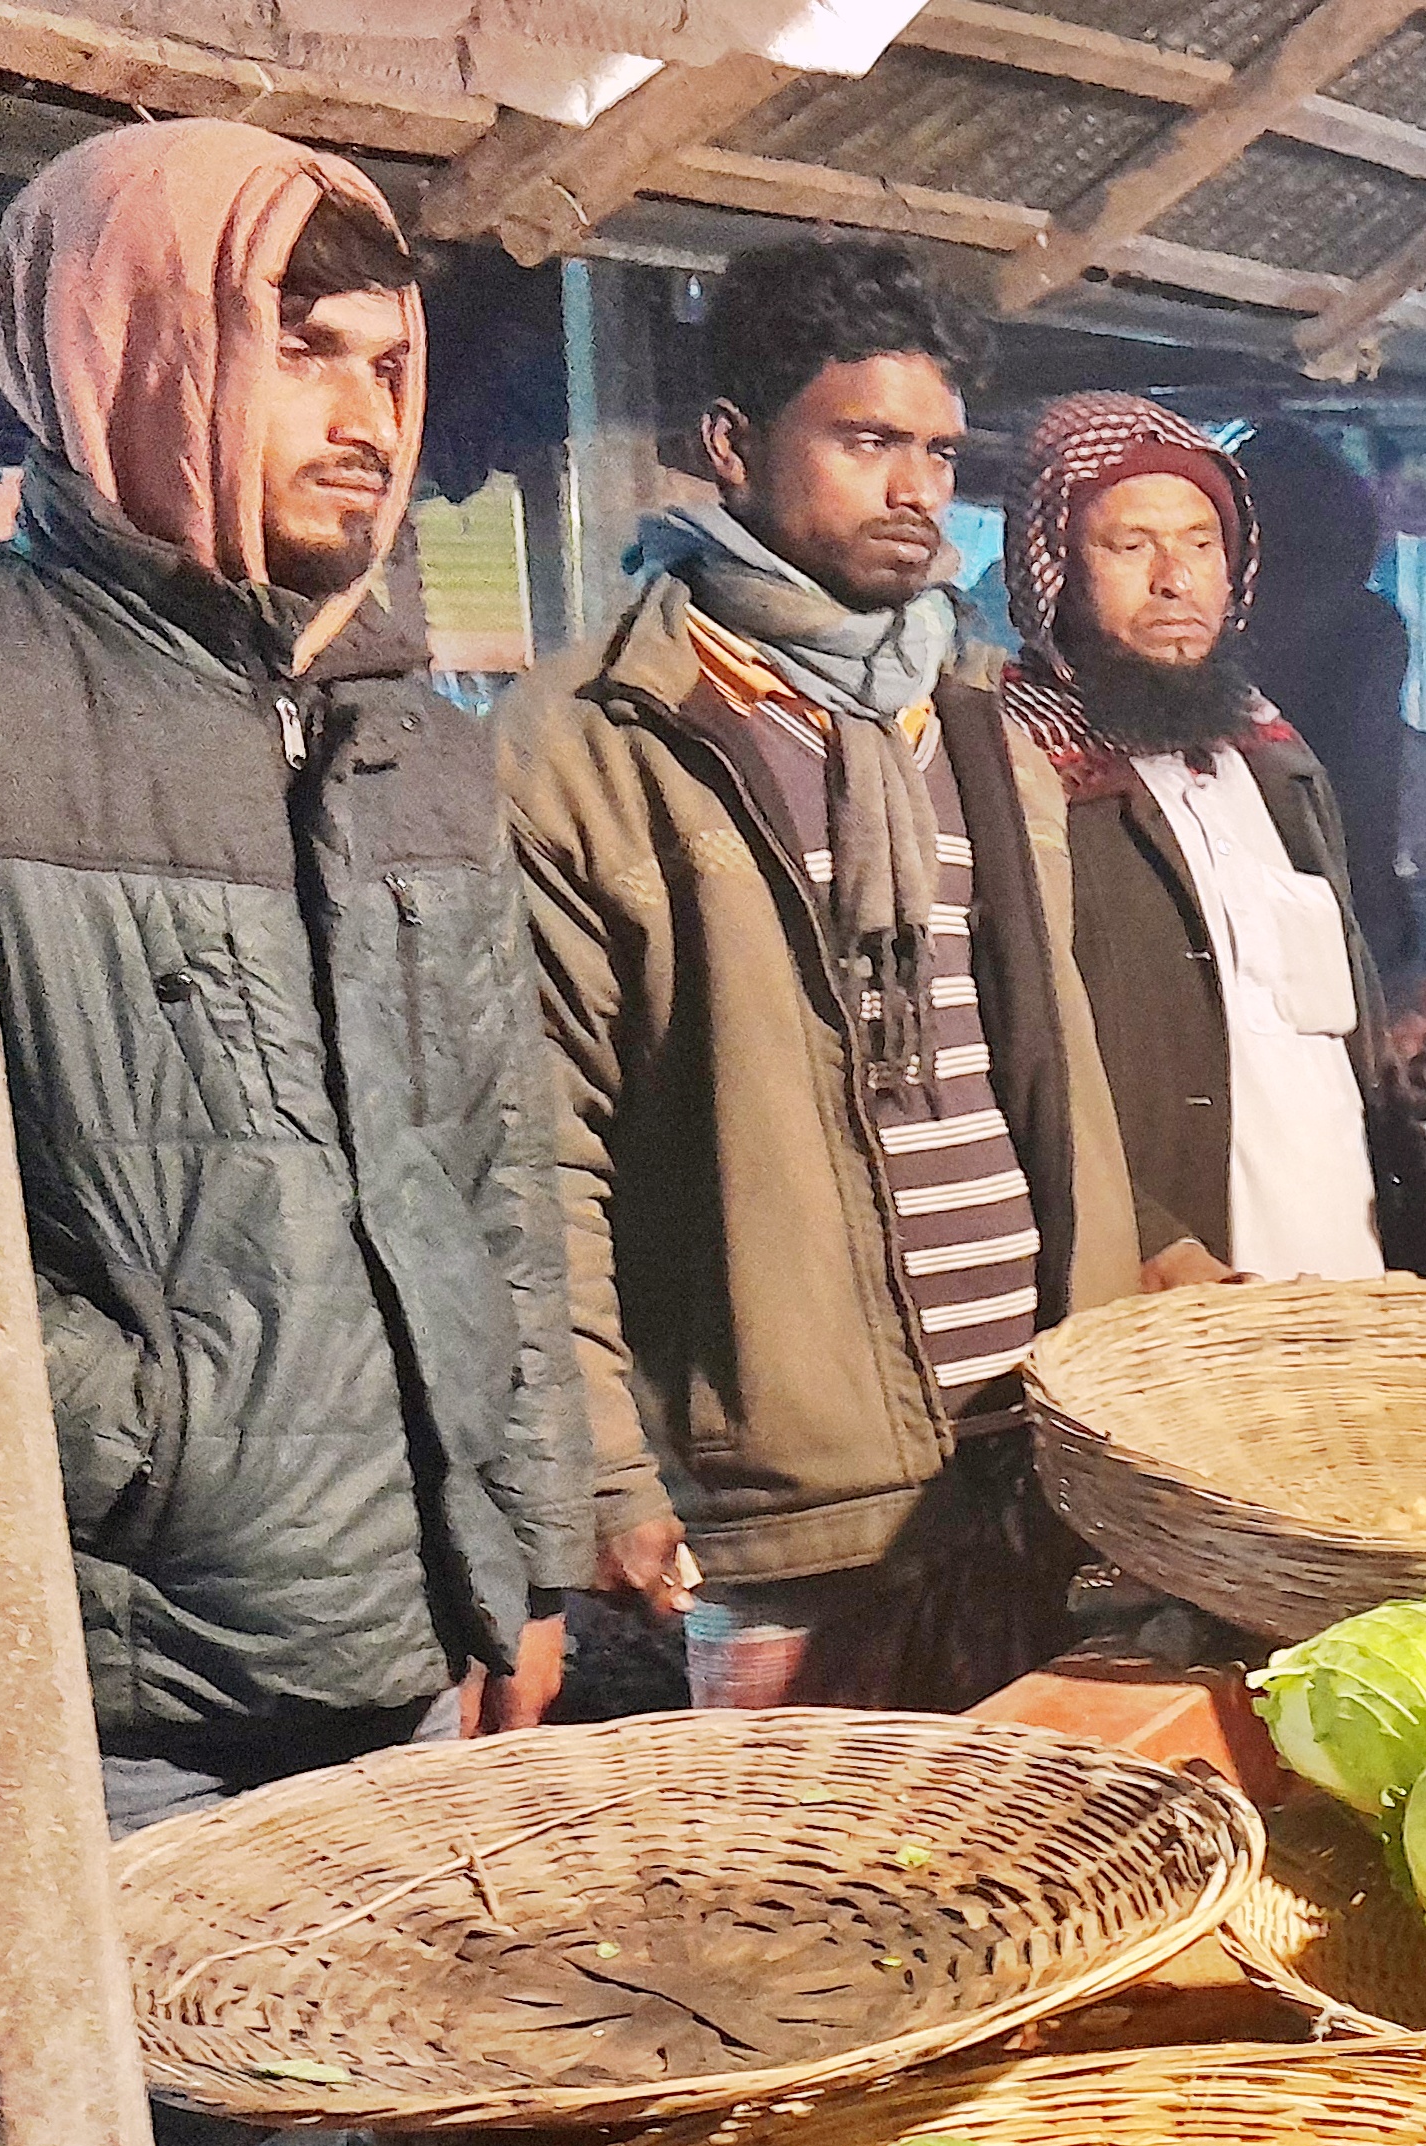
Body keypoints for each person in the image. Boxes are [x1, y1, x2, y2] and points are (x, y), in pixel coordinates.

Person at [0, 122, 586, 1828]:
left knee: (383, 2087)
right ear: (124, 349)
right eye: (297, 347)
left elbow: (500, 1180)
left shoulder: (420, 743)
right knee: (143, 2105)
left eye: (391, 362)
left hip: (417, 1640)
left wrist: (524, 1556)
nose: (365, 416)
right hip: (112, 1683)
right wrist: (149, 1443)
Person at [504, 237, 1140, 1715]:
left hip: (1038, 1459)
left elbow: (1039, 1070)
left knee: (1048, 1886)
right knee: (810, 1916)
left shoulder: (974, 714)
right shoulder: (599, 738)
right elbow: (540, 1143)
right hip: (784, 1501)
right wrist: (601, 1463)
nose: (915, 488)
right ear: (733, 442)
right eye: (866, 442)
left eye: (936, 451)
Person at [997, 392, 1411, 1290]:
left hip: (1348, 1277)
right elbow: (1009, 1050)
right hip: (1177, 1308)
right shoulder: (1012, 774)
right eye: (1129, 545)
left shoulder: (1275, 756)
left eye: (1199, 543)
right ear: (1052, 569)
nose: (1174, 580)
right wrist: (1149, 1239)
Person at [1237, 418, 1417, 979]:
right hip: (1329, 889)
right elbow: (1367, 780)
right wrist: (1378, 906)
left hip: (1243, 888)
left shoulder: (1218, 627)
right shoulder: (1367, 627)